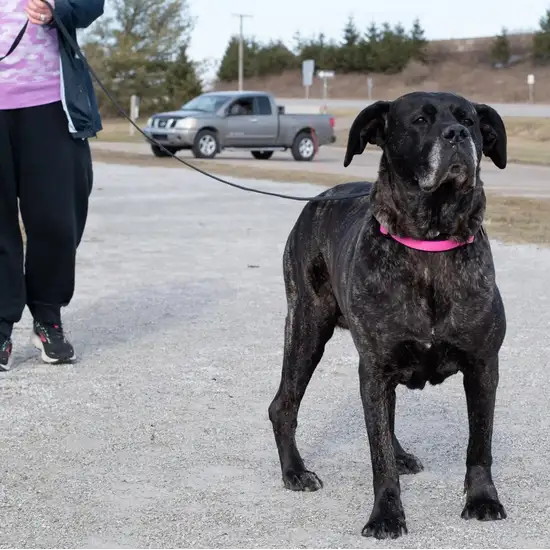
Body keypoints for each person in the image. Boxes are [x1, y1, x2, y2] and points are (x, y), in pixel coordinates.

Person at [0, 0, 105, 369]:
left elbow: (91, 4)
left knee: (58, 217)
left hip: (51, 103)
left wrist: (57, 7)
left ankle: (47, 316)